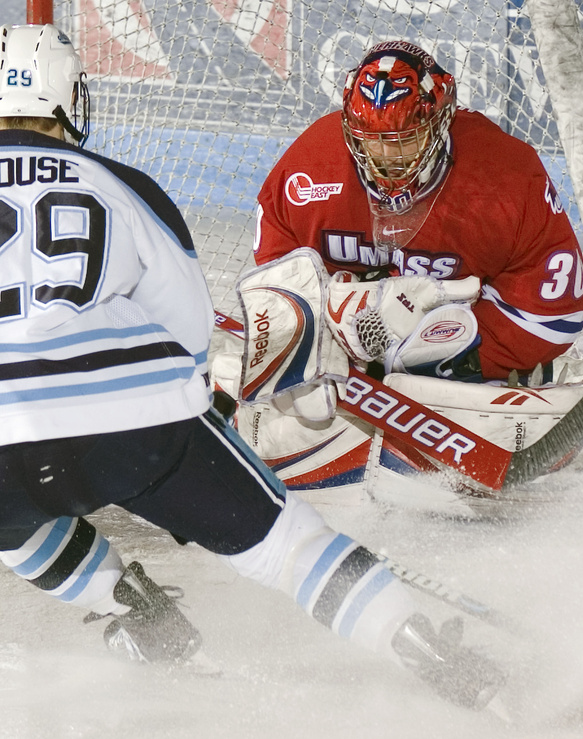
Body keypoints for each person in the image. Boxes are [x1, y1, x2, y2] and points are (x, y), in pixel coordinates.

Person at [0, 23, 504, 710]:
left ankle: (134, 608)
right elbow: (188, 328)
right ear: (65, 98)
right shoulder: (122, 185)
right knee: (288, 546)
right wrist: (193, 433)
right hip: (132, 418)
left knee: (10, 515)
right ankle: (429, 651)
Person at [253, 38, 583, 385]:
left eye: (406, 139)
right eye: (370, 138)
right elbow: (278, 278)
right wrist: (317, 335)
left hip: (463, 347)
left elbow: (554, 314)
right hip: (347, 352)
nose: (386, 156)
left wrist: (463, 358)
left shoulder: (506, 176)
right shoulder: (310, 167)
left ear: (442, 121)